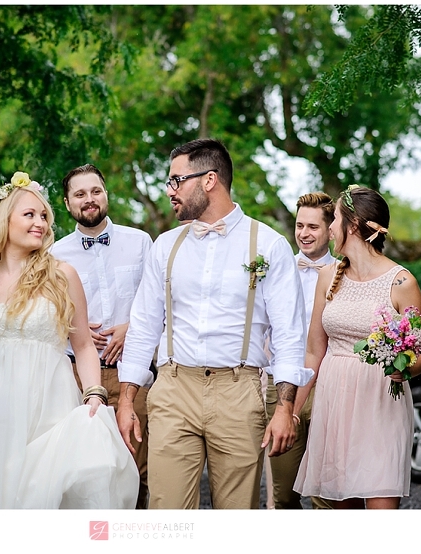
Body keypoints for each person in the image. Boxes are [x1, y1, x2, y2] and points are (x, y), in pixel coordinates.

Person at [116, 138, 312, 509]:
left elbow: (289, 335)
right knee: (167, 511)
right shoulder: (165, 246)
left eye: (176, 180)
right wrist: (127, 401)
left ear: (209, 180)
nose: (170, 190)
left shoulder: (269, 245)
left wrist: (285, 409)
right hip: (174, 388)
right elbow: (143, 327)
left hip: (239, 390)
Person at [0, 173, 139, 509]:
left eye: (44, 215)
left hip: (49, 407)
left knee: (45, 499)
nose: (41, 223)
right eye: (30, 214)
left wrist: (94, 393)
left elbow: (83, 346)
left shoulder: (61, 275)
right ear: (4, 221)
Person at [293, 185, 421, 509]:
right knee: (343, 512)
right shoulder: (328, 276)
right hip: (334, 401)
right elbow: (314, 351)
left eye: (334, 219)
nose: (330, 227)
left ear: (353, 225)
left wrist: (404, 369)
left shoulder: (401, 282)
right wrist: (292, 412)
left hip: (380, 403)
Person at [51, 164, 153, 509]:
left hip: (133, 373)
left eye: (95, 191)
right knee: (85, 468)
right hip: (77, 375)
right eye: (80, 194)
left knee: (136, 466)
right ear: (67, 203)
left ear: (106, 194)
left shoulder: (140, 242)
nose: (89, 199)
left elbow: (158, 302)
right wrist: (72, 330)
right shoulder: (54, 255)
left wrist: (131, 326)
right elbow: (45, 315)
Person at [265, 192, 335, 510]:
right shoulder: (275, 269)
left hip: (329, 385)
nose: (304, 233)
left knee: (327, 494)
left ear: (331, 231)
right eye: (299, 226)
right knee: (283, 495)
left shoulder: (344, 274)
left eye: (313, 227)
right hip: (282, 384)